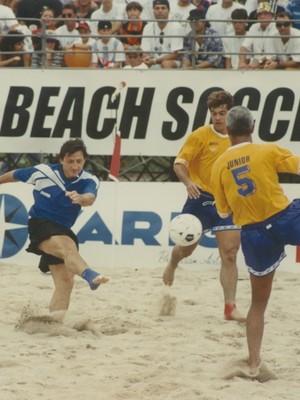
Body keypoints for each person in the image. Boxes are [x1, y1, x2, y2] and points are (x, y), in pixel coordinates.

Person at [211, 105, 300, 377]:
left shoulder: (218, 166)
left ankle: (252, 365)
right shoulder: (268, 150)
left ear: (227, 130)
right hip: (285, 218)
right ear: (252, 127)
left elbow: (224, 211)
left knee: (258, 304)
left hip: (254, 233)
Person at [162, 90, 245, 323]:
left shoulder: (238, 137)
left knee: (229, 254)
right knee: (186, 248)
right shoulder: (200, 135)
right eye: (213, 113)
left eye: (222, 113)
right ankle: (172, 263)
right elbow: (179, 163)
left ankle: (230, 307)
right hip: (200, 198)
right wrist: (188, 181)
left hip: (227, 202)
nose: (217, 118)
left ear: (230, 113)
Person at [0, 139, 108, 313]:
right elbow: (13, 175)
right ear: (62, 160)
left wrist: (80, 198)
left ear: (84, 161)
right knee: (68, 248)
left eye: (79, 161)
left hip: (62, 229)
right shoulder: (44, 172)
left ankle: (54, 322)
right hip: (39, 224)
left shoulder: (89, 179)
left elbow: (90, 198)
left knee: (65, 282)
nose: (75, 166)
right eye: (71, 161)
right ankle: (89, 275)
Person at [141, 0, 184, 69]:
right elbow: (145, 51)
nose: (160, 11)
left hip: (173, 61)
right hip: (152, 60)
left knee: (165, 63)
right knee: (138, 61)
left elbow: (176, 54)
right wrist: (147, 59)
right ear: (153, 11)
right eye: (157, 8)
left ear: (169, 10)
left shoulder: (176, 26)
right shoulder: (147, 27)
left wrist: (155, 61)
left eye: (163, 8)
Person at [239, 2, 276, 69]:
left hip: (272, 62)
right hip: (256, 64)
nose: (262, 16)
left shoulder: (276, 28)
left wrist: (258, 61)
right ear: (257, 17)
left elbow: (273, 54)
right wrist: (242, 62)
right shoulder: (254, 27)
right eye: (260, 14)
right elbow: (244, 47)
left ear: (272, 16)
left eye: (265, 14)